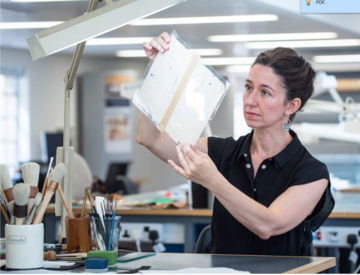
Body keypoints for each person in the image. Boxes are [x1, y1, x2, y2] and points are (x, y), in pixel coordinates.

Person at [136, 32, 334, 256]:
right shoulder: (222, 151)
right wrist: (160, 70)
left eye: (265, 92)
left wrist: (213, 180)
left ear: (291, 106)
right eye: (249, 87)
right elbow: (149, 138)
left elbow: (268, 226)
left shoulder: (312, 172)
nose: (250, 100)